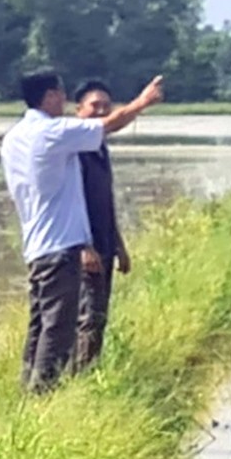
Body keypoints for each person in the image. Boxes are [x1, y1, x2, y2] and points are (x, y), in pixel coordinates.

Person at [1, 70, 163, 393]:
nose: (64, 100)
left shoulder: (13, 138)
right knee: (59, 330)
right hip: (60, 246)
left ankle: (26, 392)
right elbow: (109, 125)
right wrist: (143, 102)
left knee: (40, 325)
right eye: (61, 94)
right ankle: (41, 399)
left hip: (37, 245)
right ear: (49, 97)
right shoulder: (52, 133)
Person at [70, 80, 130, 372]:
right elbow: (71, 205)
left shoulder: (99, 148)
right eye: (95, 105)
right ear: (78, 110)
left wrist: (120, 246)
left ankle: (89, 373)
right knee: (87, 317)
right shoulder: (74, 152)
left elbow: (105, 202)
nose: (102, 111)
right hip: (85, 248)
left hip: (105, 244)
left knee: (99, 315)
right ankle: (79, 381)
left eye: (107, 106)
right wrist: (83, 247)